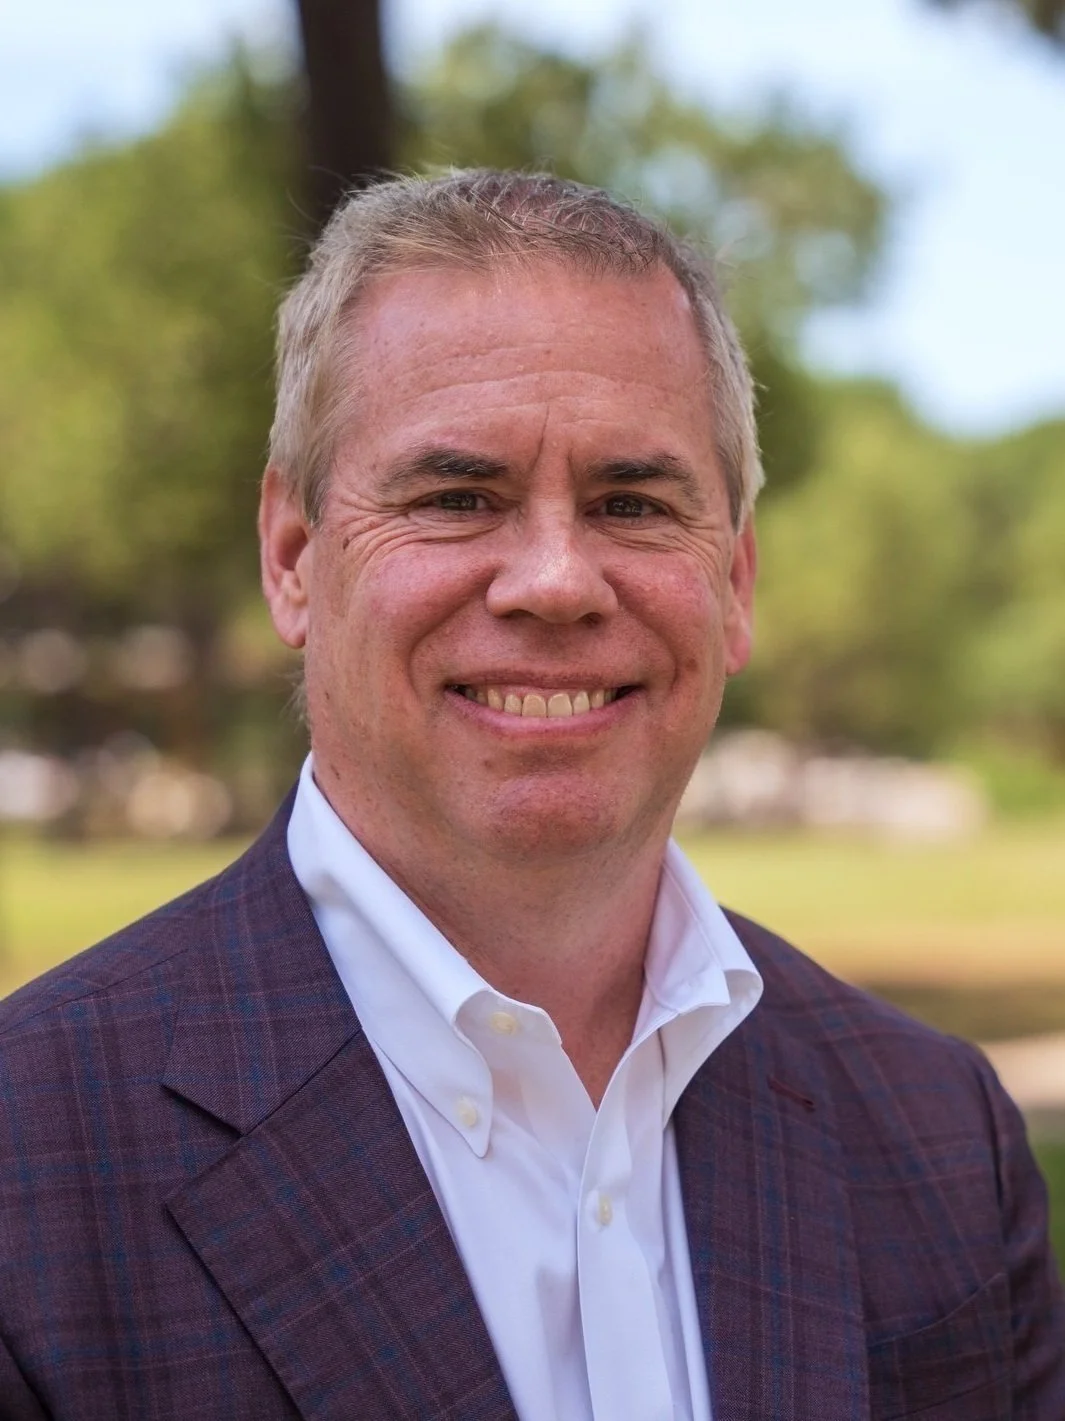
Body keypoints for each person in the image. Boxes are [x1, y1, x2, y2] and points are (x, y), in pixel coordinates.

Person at [0, 170, 1061, 1421]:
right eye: (458, 496)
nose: (556, 580)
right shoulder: (28, 1163)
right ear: (293, 556)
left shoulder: (940, 1136)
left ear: (734, 584)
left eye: (632, 501)